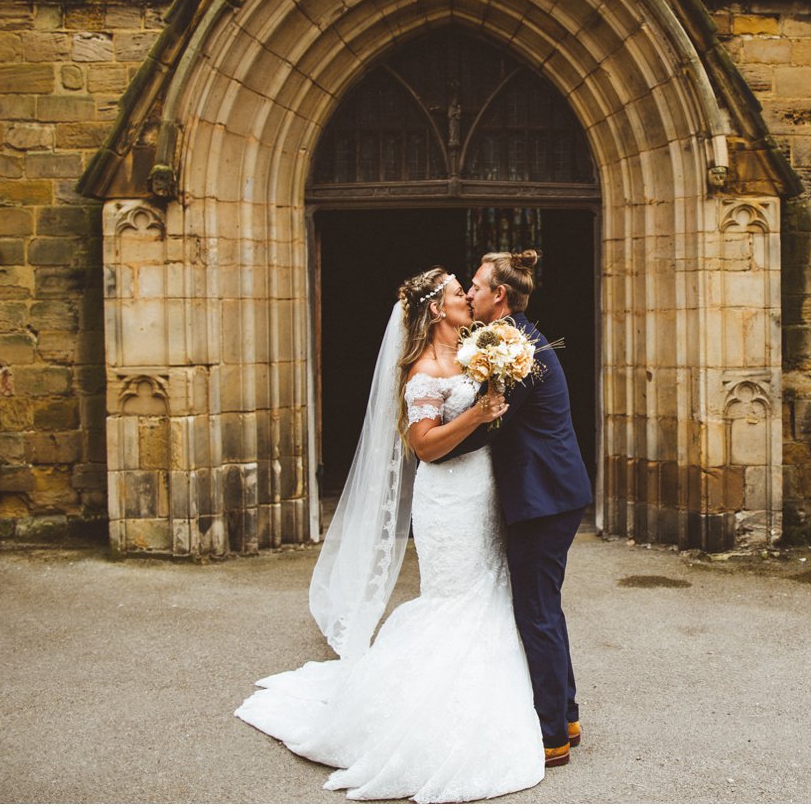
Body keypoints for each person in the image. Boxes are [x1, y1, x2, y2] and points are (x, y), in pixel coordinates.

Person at [234, 268, 545, 803]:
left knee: (489, 590)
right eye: (455, 295)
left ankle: (492, 699)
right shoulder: (423, 370)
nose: (466, 299)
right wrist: (475, 415)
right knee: (453, 598)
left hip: (482, 490)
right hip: (447, 499)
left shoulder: (475, 352)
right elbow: (424, 445)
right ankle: (426, 715)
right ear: (434, 310)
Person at [441, 249, 594, 768]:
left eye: (477, 287)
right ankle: (566, 716)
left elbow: (490, 422)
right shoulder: (512, 339)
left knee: (535, 612)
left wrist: (430, 448)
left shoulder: (515, 348)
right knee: (543, 607)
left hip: (543, 497)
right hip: (548, 493)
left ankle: (552, 737)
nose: (470, 292)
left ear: (498, 295)